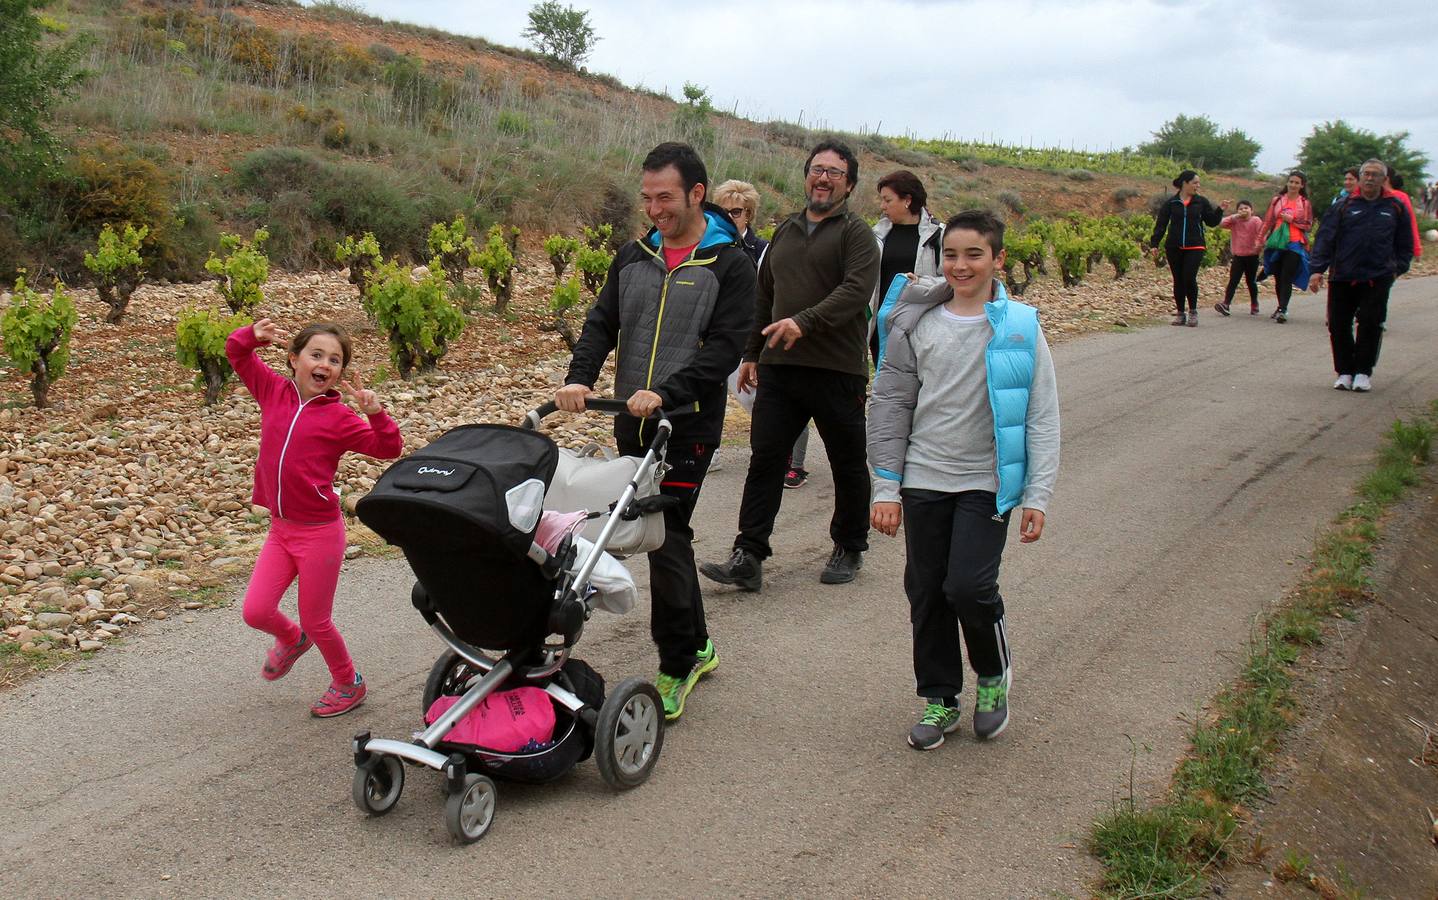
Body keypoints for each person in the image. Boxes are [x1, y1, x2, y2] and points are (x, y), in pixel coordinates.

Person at [557, 142, 755, 721]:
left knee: (664, 533)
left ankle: (677, 660)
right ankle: (696, 644)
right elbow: (602, 322)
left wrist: (668, 393)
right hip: (628, 417)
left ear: (697, 193)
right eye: (646, 197)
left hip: (687, 424)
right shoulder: (634, 256)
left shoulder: (729, 265)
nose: (654, 209)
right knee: (664, 533)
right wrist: (579, 378)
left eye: (664, 197)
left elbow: (723, 349)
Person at [868, 210, 1059, 749]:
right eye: (951, 254)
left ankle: (992, 675)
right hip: (923, 477)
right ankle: (940, 696)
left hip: (986, 482)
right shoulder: (916, 323)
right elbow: (890, 405)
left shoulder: (1020, 327)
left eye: (974, 254)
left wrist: (1037, 495)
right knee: (926, 591)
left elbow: (1042, 415)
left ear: (998, 259)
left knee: (968, 588)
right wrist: (886, 486)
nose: (960, 265)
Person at [699, 139, 880, 591]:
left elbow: (856, 291)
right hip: (780, 368)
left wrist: (805, 321)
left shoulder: (857, 235)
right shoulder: (786, 230)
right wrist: (751, 353)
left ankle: (850, 545)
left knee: (847, 462)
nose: (823, 178)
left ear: (849, 184)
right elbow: (765, 294)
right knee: (766, 460)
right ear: (806, 176)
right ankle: (749, 554)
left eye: (834, 172)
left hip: (838, 369)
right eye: (817, 169)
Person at [226, 318, 403, 718]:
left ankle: (348, 682)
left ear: (340, 372)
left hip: (320, 533)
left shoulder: (339, 418)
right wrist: (250, 337)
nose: (325, 364)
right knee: (255, 611)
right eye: (316, 354)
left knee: (317, 619)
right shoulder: (271, 390)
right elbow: (237, 353)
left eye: (335, 360)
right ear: (294, 359)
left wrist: (376, 413)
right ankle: (292, 639)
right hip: (280, 530)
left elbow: (387, 448)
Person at [1309, 158, 1414, 393]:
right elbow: (1326, 238)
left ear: (1383, 179)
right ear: (1360, 178)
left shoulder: (1395, 207)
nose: (1369, 178)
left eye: (1375, 174)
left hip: (1378, 276)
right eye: (1366, 174)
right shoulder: (1344, 206)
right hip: (1342, 275)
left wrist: (1397, 268)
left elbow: (1405, 242)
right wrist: (1317, 269)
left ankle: (1363, 372)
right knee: (1338, 324)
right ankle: (1344, 371)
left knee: (1370, 322)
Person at [711, 179, 767, 473]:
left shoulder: (762, 251)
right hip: (712, 336)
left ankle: (772, 450)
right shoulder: (708, 247)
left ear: (749, 214)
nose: (729, 217)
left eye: (736, 211)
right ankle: (711, 451)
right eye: (723, 212)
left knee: (753, 399)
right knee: (708, 394)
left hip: (746, 338)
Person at [1148, 170, 1225, 326]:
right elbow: (1161, 224)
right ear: (1185, 183)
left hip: (1195, 244)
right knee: (1178, 279)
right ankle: (1180, 313)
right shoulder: (1171, 203)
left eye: (1198, 183)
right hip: (1174, 246)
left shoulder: (1201, 202)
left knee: (1189, 277)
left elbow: (1211, 221)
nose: (1198, 185)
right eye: (1195, 182)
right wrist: (1155, 243)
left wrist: (1220, 210)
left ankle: (1193, 312)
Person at [1258, 171, 1314, 323]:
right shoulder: (1277, 200)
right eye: (1291, 182)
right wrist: (1260, 237)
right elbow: (1268, 220)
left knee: (1286, 276)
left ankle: (1283, 308)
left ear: (1302, 185)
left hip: (1294, 243)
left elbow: (1308, 225)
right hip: (1277, 243)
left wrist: (1292, 220)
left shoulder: (1304, 203)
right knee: (1278, 276)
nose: (1293, 185)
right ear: (1287, 183)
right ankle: (1280, 306)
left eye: (1297, 183)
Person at [1213, 200, 1264, 316]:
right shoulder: (1235, 221)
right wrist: (1234, 216)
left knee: (1251, 281)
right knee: (1233, 280)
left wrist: (1259, 245)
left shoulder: (1255, 221)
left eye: (1246, 208)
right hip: (1238, 256)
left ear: (1252, 210)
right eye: (1240, 209)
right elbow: (1221, 224)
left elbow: (1261, 234)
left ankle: (1254, 303)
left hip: (1252, 256)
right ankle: (1226, 304)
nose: (1243, 211)